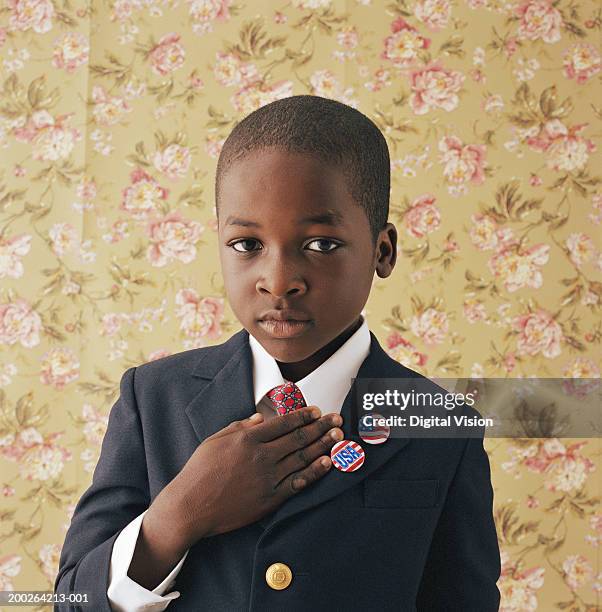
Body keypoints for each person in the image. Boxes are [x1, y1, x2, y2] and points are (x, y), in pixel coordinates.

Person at [54, 95, 501, 611]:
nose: (279, 280)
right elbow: (69, 599)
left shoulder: (441, 422)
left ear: (383, 251)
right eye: (247, 245)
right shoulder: (152, 399)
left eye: (321, 245)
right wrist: (179, 514)